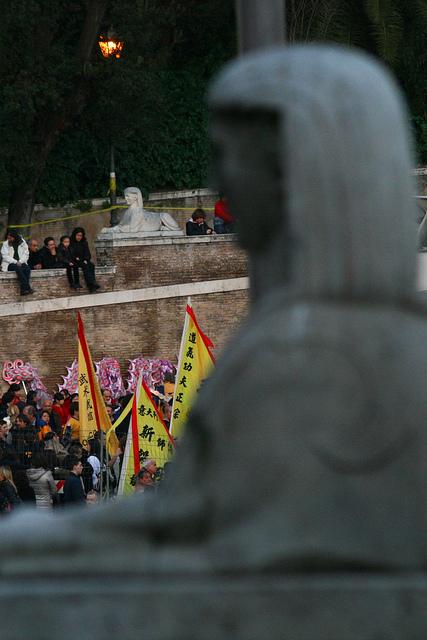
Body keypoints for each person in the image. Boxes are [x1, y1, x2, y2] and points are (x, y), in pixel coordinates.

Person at [1, 229, 33, 295]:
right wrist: (16, 262)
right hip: (10, 264)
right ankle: (27, 287)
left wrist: (20, 262)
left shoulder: (23, 243)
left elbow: (26, 253)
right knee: (18, 269)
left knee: (27, 269)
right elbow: (5, 256)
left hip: (21, 262)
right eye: (8, 237)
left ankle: (23, 290)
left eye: (11, 237)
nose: (9, 239)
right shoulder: (5, 244)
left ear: (15, 237)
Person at [70, 227, 100, 293]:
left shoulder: (84, 242)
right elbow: (71, 253)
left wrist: (86, 259)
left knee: (91, 265)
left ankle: (92, 285)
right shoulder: (71, 242)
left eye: (81, 235)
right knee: (85, 266)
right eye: (78, 235)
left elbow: (87, 253)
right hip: (75, 261)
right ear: (74, 235)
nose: (79, 237)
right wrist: (78, 259)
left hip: (84, 260)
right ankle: (92, 284)